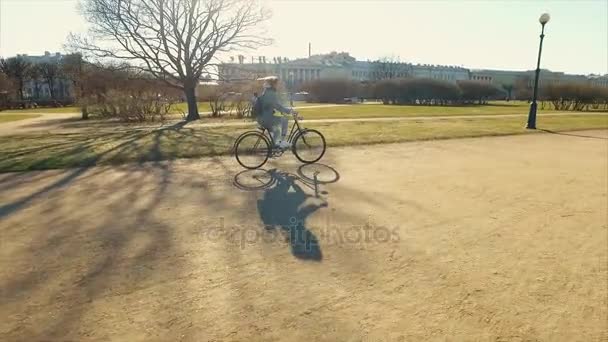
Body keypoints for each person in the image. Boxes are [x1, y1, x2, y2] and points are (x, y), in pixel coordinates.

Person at [256, 76, 300, 148]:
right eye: (276, 83)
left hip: (263, 117)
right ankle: (281, 141)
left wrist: (283, 112)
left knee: (277, 131)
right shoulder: (270, 93)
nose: (277, 85)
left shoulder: (268, 92)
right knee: (284, 120)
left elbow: (272, 106)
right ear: (272, 84)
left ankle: (273, 146)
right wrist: (289, 111)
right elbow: (277, 105)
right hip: (265, 118)